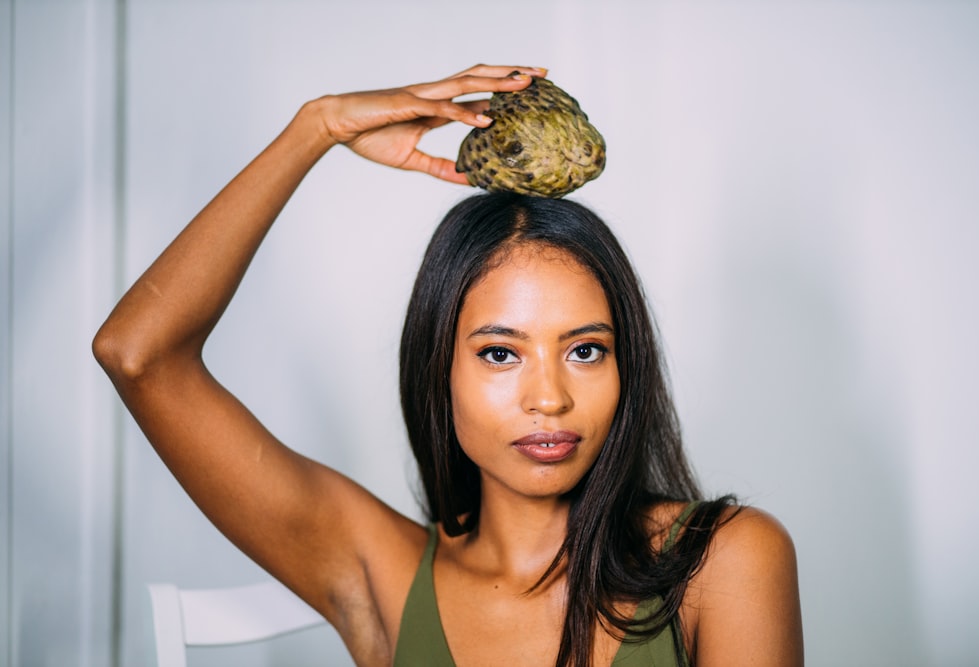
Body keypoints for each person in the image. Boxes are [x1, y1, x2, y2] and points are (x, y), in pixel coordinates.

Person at [93, 64, 803, 666]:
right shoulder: (384, 574)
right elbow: (139, 354)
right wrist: (318, 127)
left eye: (585, 349)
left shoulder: (726, 560)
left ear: (629, 367)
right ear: (439, 370)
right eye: (500, 352)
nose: (549, 398)